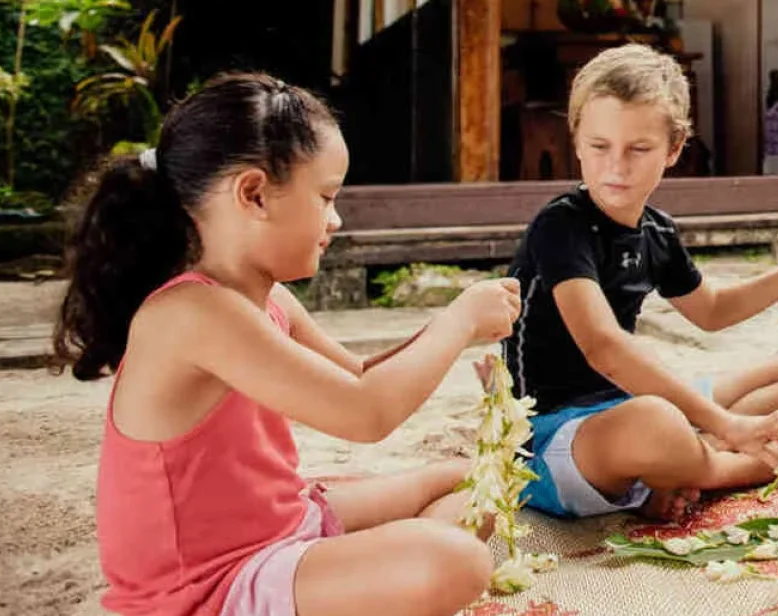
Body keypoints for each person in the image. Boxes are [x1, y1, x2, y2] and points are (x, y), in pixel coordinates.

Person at [52, 73, 522, 616]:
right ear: (253, 193)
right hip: (209, 590)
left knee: (473, 481)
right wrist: (460, 321)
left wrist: (451, 325)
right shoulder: (191, 313)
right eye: (326, 197)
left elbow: (358, 374)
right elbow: (366, 414)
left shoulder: (267, 298)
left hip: (277, 527)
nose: (336, 219)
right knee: (455, 561)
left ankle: (362, 584)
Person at [503, 44, 778, 522]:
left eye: (638, 149)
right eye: (600, 147)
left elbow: (713, 310)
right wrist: (732, 426)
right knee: (658, 423)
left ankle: (678, 467)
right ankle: (748, 465)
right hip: (551, 437)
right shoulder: (560, 226)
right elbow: (603, 348)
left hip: (625, 405)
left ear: (675, 148)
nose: (616, 166)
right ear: (577, 140)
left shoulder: (656, 231)